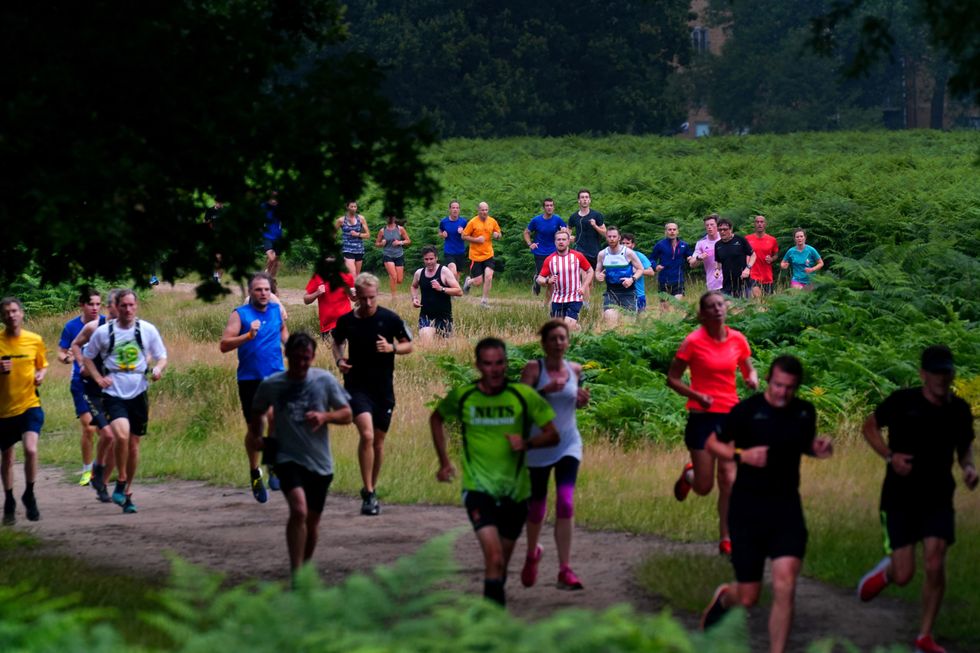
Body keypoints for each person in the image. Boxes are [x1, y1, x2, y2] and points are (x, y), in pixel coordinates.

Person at [700, 356, 833, 653]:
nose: (782, 393)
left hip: (786, 509)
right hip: (747, 510)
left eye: (789, 387)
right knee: (748, 597)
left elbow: (803, 444)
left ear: (796, 387)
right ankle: (725, 597)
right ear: (769, 380)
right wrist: (741, 456)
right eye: (777, 385)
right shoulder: (748, 411)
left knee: (785, 584)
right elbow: (712, 443)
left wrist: (817, 448)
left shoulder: (804, 412)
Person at [856, 345, 976, 653]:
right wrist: (889, 456)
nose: (941, 378)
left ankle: (924, 636)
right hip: (900, 497)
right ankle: (888, 572)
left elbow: (964, 448)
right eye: (935, 372)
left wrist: (969, 468)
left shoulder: (959, 410)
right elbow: (869, 426)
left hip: (939, 496)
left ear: (952, 375)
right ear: (923, 375)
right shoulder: (902, 402)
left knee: (935, 561)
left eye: (946, 372)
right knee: (905, 574)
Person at [430, 337, 559, 606]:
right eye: (488, 364)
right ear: (478, 365)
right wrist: (444, 461)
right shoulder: (464, 396)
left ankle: (493, 610)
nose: (494, 369)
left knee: (500, 567)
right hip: (478, 489)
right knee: (494, 558)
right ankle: (490, 628)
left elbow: (553, 434)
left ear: (506, 364)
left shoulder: (523, 397)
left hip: (516, 491)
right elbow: (437, 417)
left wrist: (527, 443)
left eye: (499, 363)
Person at [247, 332, 352, 574]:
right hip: (286, 457)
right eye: (296, 358)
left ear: (313, 357)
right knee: (299, 510)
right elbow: (257, 412)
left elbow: (348, 414)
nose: (301, 363)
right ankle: (296, 573)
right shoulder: (272, 384)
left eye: (306, 358)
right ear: (287, 356)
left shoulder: (324, 381)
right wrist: (257, 436)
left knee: (312, 523)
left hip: (320, 462)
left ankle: (304, 569)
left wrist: (325, 416)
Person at [667, 291, 758, 556]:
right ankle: (690, 475)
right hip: (702, 418)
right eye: (711, 306)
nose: (718, 309)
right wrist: (697, 396)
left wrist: (752, 378)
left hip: (730, 417)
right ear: (703, 314)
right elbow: (672, 379)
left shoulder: (738, 339)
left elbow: (748, 367)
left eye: (721, 304)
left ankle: (726, 537)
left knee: (728, 479)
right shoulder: (693, 342)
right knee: (705, 487)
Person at [332, 273, 413, 516]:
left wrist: (392, 348)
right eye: (364, 298)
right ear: (355, 295)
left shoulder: (389, 319)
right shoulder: (347, 320)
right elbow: (336, 342)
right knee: (366, 435)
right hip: (356, 386)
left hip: (383, 390)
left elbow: (409, 344)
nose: (368, 303)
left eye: (372, 298)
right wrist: (339, 360)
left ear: (377, 294)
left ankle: (372, 488)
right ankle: (367, 491)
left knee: (378, 442)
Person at [519, 321, 590, 591]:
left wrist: (582, 400)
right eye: (553, 339)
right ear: (544, 343)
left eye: (563, 338)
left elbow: (575, 402)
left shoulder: (575, 370)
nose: (559, 343)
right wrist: (542, 392)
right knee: (537, 506)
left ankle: (564, 569)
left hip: (568, 444)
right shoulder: (533, 370)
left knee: (566, 502)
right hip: (539, 446)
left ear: (568, 342)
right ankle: (531, 553)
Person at [82, 290, 168, 514]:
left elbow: (162, 355)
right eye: (123, 306)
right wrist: (99, 378)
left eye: (131, 305)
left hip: (139, 391)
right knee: (121, 435)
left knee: (133, 445)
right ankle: (119, 480)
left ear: (136, 306)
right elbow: (88, 357)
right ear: (116, 307)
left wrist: (158, 369)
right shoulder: (103, 332)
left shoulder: (147, 330)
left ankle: (127, 491)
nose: (128, 310)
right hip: (114, 393)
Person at [220, 272, 288, 503]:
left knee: (275, 417)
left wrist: (292, 347)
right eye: (258, 290)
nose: (263, 293)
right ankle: (255, 472)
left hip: (276, 375)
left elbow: (283, 333)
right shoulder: (240, 315)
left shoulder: (276, 310)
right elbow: (224, 345)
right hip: (250, 379)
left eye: (267, 290)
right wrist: (247, 336)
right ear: (250, 291)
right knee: (255, 430)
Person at [70, 288, 122, 503]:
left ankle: (102, 482)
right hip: (92, 389)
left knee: (117, 438)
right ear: (110, 307)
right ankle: (95, 471)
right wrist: (83, 364)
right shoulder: (94, 326)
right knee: (107, 435)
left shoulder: (129, 329)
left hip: (115, 390)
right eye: (118, 306)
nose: (122, 310)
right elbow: (75, 344)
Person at [0, 297, 48, 524]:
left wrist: (40, 375)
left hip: (29, 405)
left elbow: (42, 365)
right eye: (7, 312)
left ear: (22, 313)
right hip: (3, 411)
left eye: (14, 311)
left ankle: (29, 493)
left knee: (30, 449)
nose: (11, 315)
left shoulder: (34, 340)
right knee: (7, 457)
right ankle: (9, 500)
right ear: (2, 317)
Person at [57, 286, 106, 486]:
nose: (95, 308)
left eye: (98, 304)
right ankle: (87, 471)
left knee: (105, 431)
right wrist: (67, 358)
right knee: (88, 428)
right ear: (82, 305)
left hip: (103, 383)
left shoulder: (105, 324)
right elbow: (60, 353)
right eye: (90, 304)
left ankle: (100, 467)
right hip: (80, 383)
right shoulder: (71, 327)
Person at [536, 231, 593, 328]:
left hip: (574, 297)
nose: (561, 242)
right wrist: (547, 281)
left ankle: (573, 327)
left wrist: (583, 287)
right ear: (555, 242)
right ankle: (578, 329)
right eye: (558, 239)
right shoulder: (550, 259)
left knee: (567, 326)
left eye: (563, 239)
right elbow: (539, 278)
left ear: (568, 242)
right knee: (558, 329)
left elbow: (590, 271)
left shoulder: (577, 256)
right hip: (557, 299)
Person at [411, 246, 463, 341]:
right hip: (426, 316)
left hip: (444, 317)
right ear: (423, 259)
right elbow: (414, 286)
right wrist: (414, 298)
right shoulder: (419, 273)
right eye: (426, 259)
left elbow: (459, 291)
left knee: (443, 346)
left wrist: (441, 288)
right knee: (426, 341)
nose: (429, 262)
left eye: (431, 259)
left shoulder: (444, 271)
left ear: (436, 258)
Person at [594, 226, 643, 326]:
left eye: (614, 236)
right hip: (611, 292)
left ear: (619, 237)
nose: (612, 239)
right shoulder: (602, 254)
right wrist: (598, 276)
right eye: (609, 236)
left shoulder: (628, 252)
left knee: (627, 326)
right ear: (606, 238)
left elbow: (640, 269)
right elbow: (597, 271)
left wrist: (632, 279)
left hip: (628, 292)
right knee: (610, 321)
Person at [461, 202, 502, 307]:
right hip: (476, 256)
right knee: (478, 282)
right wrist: (476, 240)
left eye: (486, 210)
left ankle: (484, 301)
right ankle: (469, 282)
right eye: (482, 210)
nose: (484, 212)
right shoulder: (473, 222)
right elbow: (464, 236)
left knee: (488, 276)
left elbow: (498, 233)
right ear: (478, 210)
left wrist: (497, 235)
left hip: (488, 254)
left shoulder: (492, 221)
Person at [524, 198, 567, 296]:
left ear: (554, 207)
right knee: (541, 275)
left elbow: (566, 231)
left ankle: (552, 297)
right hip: (540, 251)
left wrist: (565, 231)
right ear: (544, 208)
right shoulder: (536, 220)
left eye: (551, 205)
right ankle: (536, 282)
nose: (549, 207)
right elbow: (526, 232)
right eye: (547, 205)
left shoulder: (557, 219)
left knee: (553, 275)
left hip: (553, 251)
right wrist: (530, 244)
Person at [303, 264, 354, 341]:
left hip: (345, 323)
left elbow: (354, 298)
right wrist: (317, 293)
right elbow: (306, 299)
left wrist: (355, 293)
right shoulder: (318, 276)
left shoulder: (346, 275)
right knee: (329, 352)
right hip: (327, 326)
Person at [713, 218, 756, 298]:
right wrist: (717, 270)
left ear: (731, 229)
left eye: (725, 229)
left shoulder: (740, 240)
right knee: (728, 309)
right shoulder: (717, 245)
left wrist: (748, 268)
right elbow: (718, 261)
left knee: (744, 309)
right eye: (720, 230)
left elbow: (753, 255)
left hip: (743, 283)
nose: (722, 232)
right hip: (727, 285)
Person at [567, 189, 606, 271]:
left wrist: (595, 226)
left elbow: (605, 234)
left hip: (594, 251)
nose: (584, 199)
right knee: (583, 276)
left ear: (589, 200)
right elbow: (569, 229)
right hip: (579, 250)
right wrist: (568, 237)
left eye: (586, 197)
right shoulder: (574, 217)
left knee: (592, 279)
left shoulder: (597, 215)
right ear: (578, 200)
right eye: (582, 197)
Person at [651, 222, 693, 300]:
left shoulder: (684, 245)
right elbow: (651, 259)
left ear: (677, 231)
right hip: (663, 280)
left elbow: (689, 256)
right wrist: (655, 266)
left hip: (678, 279)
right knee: (665, 308)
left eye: (674, 229)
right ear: (666, 232)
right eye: (669, 230)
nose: (672, 231)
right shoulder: (660, 245)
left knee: (677, 304)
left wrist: (691, 259)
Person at [376, 214, 411, 299]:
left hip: (399, 255)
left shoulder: (400, 229)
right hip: (387, 255)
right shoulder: (382, 231)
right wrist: (381, 243)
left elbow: (408, 240)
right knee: (393, 276)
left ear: (395, 218)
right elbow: (377, 244)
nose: (390, 218)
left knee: (399, 280)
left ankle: (392, 277)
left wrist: (400, 242)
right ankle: (394, 297)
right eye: (388, 217)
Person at [620, 233, 655, 312]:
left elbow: (651, 272)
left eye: (627, 243)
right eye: (623, 243)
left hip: (638, 294)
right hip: (621, 293)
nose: (625, 245)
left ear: (633, 245)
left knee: (640, 321)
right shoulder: (616, 256)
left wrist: (638, 271)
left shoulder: (639, 256)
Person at [745, 215, 778, 298]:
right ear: (754, 224)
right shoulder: (747, 239)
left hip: (767, 276)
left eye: (761, 222)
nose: (759, 224)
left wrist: (771, 259)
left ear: (765, 224)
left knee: (767, 302)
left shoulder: (772, 240)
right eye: (757, 222)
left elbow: (776, 255)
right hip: (752, 274)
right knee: (758, 299)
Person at [688, 214, 723, 292]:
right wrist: (698, 258)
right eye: (707, 225)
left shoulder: (724, 239)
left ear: (717, 225)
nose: (709, 227)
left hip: (729, 282)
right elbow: (692, 264)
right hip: (713, 283)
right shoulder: (701, 243)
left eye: (712, 224)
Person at [336, 201, 370, 277]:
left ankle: (348, 286)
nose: (354, 208)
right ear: (347, 207)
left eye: (355, 207)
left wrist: (357, 234)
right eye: (352, 206)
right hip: (347, 249)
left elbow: (367, 235)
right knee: (353, 273)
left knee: (357, 276)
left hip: (359, 249)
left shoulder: (361, 219)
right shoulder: (341, 220)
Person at [438, 200, 468, 281]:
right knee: (453, 271)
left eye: (457, 208)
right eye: (453, 208)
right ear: (449, 209)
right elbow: (440, 232)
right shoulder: (444, 222)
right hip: (449, 251)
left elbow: (468, 235)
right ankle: (450, 288)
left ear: (459, 210)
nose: (455, 210)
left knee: (457, 274)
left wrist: (463, 232)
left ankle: (454, 291)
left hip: (460, 251)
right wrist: (442, 234)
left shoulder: (464, 222)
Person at [261, 192, 283, 280]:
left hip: (278, 237)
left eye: (276, 199)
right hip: (267, 236)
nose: (274, 201)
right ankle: (266, 272)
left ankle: (271, 279)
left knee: (276, 261)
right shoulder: (264, 207)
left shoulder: (279, 208)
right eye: (272, 199)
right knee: (271, 258)